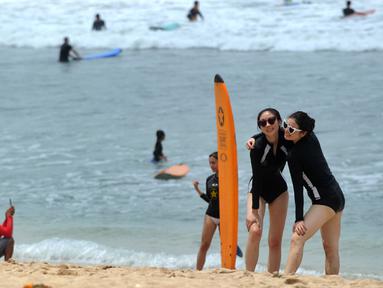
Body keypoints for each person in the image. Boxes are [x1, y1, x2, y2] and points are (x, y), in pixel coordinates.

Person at [282, 111, 345, 275]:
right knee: (330, 249)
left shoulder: (294, 156)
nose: (285, 130)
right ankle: (332, 284)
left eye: (290, 129)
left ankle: (284, 281)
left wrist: (298, 219)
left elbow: (297, 188)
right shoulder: (311, 137)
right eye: (285, 125)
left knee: (297, 238)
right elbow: (277, 135)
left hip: (325, 200)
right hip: (337, 196)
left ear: (303, 133)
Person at [245, 108, 291, 273]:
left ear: (278, 120)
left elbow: (304, 135)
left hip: (279, 191)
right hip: (258, 189)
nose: (268, 124)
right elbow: (256, 177)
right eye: (262, 123)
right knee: (255, 231)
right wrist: (254, 210)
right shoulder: (257, 146)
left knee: (275, 241)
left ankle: (272, 278)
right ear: (259, 127)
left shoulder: (288, 139)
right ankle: (248, 276)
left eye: (271, 120)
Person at [193, 152, 219, 270]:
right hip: (211, 215)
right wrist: (197, 189)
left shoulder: (228, 178)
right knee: (204, 245)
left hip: (225, 216)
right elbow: (210, 200)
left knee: (226, 247)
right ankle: (198, 271)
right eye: (210, 163)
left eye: (213, 163)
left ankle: (228, 268)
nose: (211, 165)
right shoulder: (209, 179)